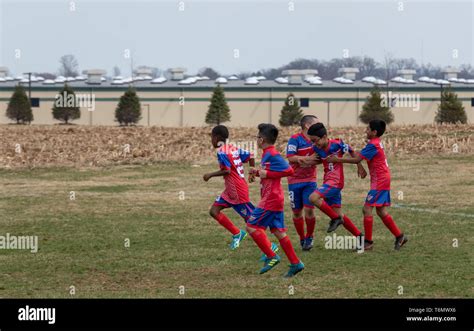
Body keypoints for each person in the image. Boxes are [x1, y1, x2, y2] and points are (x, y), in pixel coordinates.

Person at [326, 119, 408, 250]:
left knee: (367, 209)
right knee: (381, 211)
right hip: (381, 179)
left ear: (374, 132)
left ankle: (368, 242)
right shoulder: (374, 143)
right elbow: (359, 156)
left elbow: (357, 158)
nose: (366, 130)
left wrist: (337, 159)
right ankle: (399, 236)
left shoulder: (373, 145)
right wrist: (357, 161)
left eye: (368, 129)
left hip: (380, 181)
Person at [247, 123, 304, 277]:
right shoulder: (267, 154)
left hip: (271, 199)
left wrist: (265, 174)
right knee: (279, 233)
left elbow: (289, 170)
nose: (256, 140)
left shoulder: (272, 154)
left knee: (252, 226)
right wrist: (257, 172)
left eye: (257, 137)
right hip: (273, 198)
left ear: (262, 139)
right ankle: (296, 263)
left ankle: (272, 256)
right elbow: (269, 172)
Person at [307, 123, 365, 239]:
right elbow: (315, 159)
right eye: (311, 141)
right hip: (327, 181)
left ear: (324, 137)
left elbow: (352, 152)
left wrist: (359, 165)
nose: (314, 144)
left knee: (313, 198)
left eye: (315, 140)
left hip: (335, 182)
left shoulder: (337, 144)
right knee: (340, 214)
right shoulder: (316, 148)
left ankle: (335, 219)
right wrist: (305, 161)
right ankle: (360, 238)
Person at [203, 125, 255, 250]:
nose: (211, 140)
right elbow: (251, 155)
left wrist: (210, 175)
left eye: (212, 137)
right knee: (214, 211)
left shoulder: (222, 152)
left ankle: (270, 247)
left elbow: (226, 171)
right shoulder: (231, 148)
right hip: (230, 190)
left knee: (252, 221)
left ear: (217, 138)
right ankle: (237, 233)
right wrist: (252, 171)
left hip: (237, 191)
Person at [286, 115, 320, 250]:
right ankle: (302, 238)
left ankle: (309, 237)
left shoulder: (316, 140)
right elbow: (290, 158)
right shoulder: (295, 139)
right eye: (316, 123)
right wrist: (307, 159)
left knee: (309, 210)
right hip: (294, 180)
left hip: (310, 180)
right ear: (307, 125)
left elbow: (321, 156)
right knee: (296, 212)